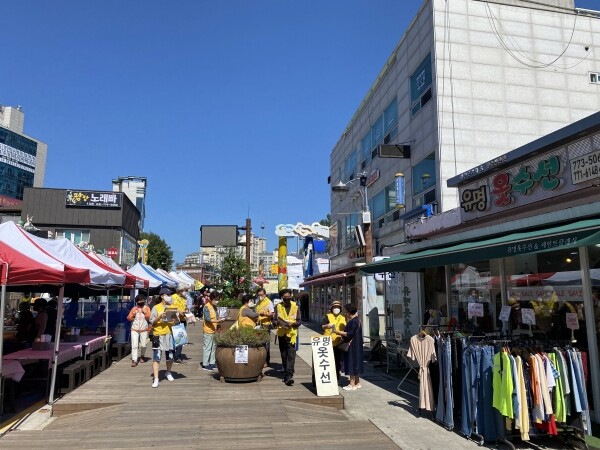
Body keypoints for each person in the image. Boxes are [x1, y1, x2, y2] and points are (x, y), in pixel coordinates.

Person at [149, 287, 178, 388]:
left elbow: (176, 321)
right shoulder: (156, 307)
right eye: (167, 295)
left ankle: (168, 372)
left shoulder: (172, 307)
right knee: (156, 357)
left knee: (170, 356)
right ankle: (156, 378)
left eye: (170, 295)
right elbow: (152, 322)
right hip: (158, 334)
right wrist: (159, 317)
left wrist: (175, 319)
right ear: (162, 296)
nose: (169, 297)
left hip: (169, 334)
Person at [334, 303, 364, 391]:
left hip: (352, 345)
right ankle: (357, 383)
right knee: (356, 363)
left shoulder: (353, 321)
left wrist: (338, 332)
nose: (345, 313)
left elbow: (350, 334)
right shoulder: (357, 320)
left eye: (346, 311)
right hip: (357, 345)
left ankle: (351, 384)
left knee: (351, 363)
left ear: (349, 312)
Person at [276, 289, 301, 386]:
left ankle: (289, 376)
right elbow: (274, 320)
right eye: (284, 297)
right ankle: (286, 371)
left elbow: (299, 321)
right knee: (284, 355)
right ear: (281, 297)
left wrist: (293, 323)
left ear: (291, 296)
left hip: (292, 334)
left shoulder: (295, 306)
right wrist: (278, 322)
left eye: (288, 296)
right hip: (281, 334)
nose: (287, 298)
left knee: (291, 355)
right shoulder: (278, 306)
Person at [321, 300, 346, 381]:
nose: (336, 309)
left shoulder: (343, 317)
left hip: (339, 342)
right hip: (328, 342)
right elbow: (322, 326)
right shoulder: (327, 316)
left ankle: (336, 377)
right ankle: (328, 376)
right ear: (332, 308)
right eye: (335, 307)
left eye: (338, 307)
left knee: (337, 361)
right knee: (328, 360)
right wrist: (327, 326)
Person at [202, 290, 225, 371]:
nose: (217, 301)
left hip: (214, 330)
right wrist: (217, 321)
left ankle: (212, 363)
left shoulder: (214, 307)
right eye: (216, 299)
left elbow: (216, 316)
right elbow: (208, 319)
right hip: (208, 330)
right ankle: (205, 364)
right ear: (212, 299)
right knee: (207, 348)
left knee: (213, 347)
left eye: (218, 299)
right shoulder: (206, 307)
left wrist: (220, 320)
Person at [127, 294, 151, 367]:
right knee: (134, 345)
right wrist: (133, 315)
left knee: (143, 345)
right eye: (139, 300)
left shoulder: (147, 308)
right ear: (137, 301)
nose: (140, 301)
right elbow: (129, 318)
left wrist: (144, 313)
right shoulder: (134, 308)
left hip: (144, 329)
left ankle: (142, 355)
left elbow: (149, 318)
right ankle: (134, 360)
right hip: (134, 329)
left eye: (142, 300)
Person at [255, 288, 274, 367]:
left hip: (266, 324)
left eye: (261, 295)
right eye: (259, 295)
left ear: (265, 294)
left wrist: (265, 314)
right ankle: (260, 360)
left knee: (266, 343)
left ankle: (266, 361)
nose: (260, 296)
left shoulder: (269, 302)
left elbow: (272, 313)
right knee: (259, 342)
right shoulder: (258, 302)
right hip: (258, 324)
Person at [171, 287, 188, 363]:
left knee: (181, 338)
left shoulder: (184, 298)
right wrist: (178, 311)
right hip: (175, 320)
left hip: (183, 319)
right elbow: (170, 308)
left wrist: (186, 310)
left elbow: (185, 307)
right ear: (180, 290)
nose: (185, 292)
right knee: (176, 338)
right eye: (184, 290)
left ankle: (177, 355)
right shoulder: (173, 297)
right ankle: (175, 355)